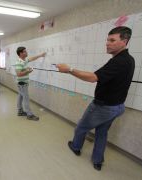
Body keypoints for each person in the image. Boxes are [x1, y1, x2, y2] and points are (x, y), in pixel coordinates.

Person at [56, 26, 135, 171]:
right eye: (107, 40)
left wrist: (69, 70)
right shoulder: (129, 59)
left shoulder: (119, 61)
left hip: (103, 107)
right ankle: (97, 160)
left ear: (124, 42)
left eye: (112, 40)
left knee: (81, 127)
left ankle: (75, 147)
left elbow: (93, 78)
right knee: (102, 132)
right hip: (117, 107)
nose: (107, 43)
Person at [15, 47, 46, 121]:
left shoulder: (24, 60)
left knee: (20, 96)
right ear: (21, 53)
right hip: (22, 83)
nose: (26, 52)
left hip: (22, 83)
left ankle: (20, 111)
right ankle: (29, 114)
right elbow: (18, 74)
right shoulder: (19, 62)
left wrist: (40, 55)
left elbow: (31, 59)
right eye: (25, 51)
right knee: (26, 98)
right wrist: (28, 71)